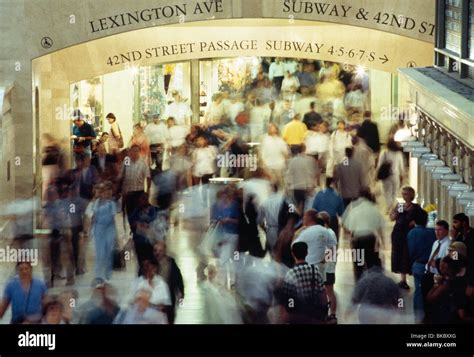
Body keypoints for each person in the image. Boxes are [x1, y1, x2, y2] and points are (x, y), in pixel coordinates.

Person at [276, 242, 328, 324]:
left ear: (293, 254)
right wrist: (324, 313)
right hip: (314, 314)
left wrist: (287, 315)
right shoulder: (315, 270)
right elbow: (322, 294)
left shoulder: (290, 273)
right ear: (307, 253)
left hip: (298, 316)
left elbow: (288, 299)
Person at [342, 189, 385, 281]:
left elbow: (346, 225)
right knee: (371, 263)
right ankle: (372, 284)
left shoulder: (354, 208)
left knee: (358, 264)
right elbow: (379, 226)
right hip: (370, 238)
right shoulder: (373, 208)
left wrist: (350, 236)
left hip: (358, 239)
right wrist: (382, 241)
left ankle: (359, 285)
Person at [389, 186, 423, 290]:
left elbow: (421, 219)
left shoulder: (416, 208)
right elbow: (392, 217)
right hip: (398, 233)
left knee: (407, 254)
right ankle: (402, 279)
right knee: (398, 254)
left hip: (409, 233)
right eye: (403, 194)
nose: (404, 196)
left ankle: (409, 276)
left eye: (406, 194)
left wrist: (415, 222)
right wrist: (397, 212)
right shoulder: (400, 206)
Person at [407, 209, 436, 323]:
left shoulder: (412, 233)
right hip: (431, 265)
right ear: (426, 220)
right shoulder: (432, 232)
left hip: (418, 264)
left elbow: (411, 251)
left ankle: (418, 317)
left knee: (418, 291)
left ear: (414, 220)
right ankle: (430, 314)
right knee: (430, 289)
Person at [426, 256, 471, 324]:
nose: (441, 269)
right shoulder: (448, 281)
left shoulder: (450, 283)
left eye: (443, 267)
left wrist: (437, 284)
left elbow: (430, 297)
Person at [90, 181, 117, 281]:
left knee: (108, 251)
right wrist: (90, 231)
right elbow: (93, 217)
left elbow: (114, 218)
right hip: (99, 229)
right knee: (100, 252)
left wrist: (117, 235)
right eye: (105, 191)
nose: (107, 193)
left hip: (109, 229)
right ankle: (98, 275)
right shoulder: (96, 203)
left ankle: (107, 271)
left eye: (109, 191)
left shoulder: (112, 204)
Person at [118, 144, 151, 226]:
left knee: (138, 213)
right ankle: (133, 230)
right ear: (130, 152)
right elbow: (121, 175)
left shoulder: (143, 163)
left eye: (136, 151)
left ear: (139, 152)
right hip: (128, 192)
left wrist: (147, 192)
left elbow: (148, 178)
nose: (134, 153)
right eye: (132, 151)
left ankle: (137, 231)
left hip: (139, 192)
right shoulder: (126, 161)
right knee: (129, 213)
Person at [153, 241, 185, 324]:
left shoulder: (171, 263)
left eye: (160, 251)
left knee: (169, 318)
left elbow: (178, 278)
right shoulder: (149, 263)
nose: (158, 253)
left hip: (168, 296)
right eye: (156, 250)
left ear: (164, 251)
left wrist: (181, 292)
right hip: (154, 297)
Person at [129, 192, 160, 276]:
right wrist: (137, 223)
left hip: (149, 241)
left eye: (145, 199)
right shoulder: (136, 210)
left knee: (150, 259)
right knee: (141, 261)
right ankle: (142, 276)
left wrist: (144, 222)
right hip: (139, 241)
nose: (143, 201)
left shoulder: (152, 210)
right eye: (141, 199)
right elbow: (131, 221)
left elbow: (154, 220)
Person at [317, 211, 338, 323]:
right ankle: (325, 313)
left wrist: (324, 259)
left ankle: (333, 314)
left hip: (328, 268)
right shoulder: (323, 232)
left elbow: (332, 248)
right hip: (324, 268)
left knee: (329, 292)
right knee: (324, 292)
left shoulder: (329, 232)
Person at [285, 145, 316, 213]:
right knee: (305, 205)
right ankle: (303, 218)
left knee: (297, 205)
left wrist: (287, 186)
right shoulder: (304, 161)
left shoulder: (292, 161)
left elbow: (289, 175)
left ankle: (298, 218)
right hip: (304, 187)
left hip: (296, 187)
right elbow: (307, 174)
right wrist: (309, 186)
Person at [312, 177, 345, 241]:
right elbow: (341, 212)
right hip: (332, 220)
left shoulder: (319, 194)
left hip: (320, 220)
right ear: (333, 184)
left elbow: (314, 208)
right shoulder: (337, 195)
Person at [377, 139, 405, 212]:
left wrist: (376, 174)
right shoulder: (399, 153)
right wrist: (402, 175)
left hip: (386, 176)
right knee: (395, 192)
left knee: (387, 192)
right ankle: (393, 207)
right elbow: (401, 167)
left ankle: (389, 208)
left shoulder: (384, 153)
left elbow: (379, 165)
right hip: (396, 175)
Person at [452, 213, 474, 296]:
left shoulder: (472, 235)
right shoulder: (459, 237)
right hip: (461, 273)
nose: (453, 225)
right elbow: (454, 256)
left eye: (455, 222)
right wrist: (454, 238)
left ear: (463, 223)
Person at [191, 136, 217, 203]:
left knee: (206, 187)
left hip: (208, 171)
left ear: (205, 140)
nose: (199, 141)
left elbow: (214, 158)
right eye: (198, 140)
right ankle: (199, 201)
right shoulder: (196, 151)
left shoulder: (211, 148)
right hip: (198, 171)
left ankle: (207, 201)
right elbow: (193, 161)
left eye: (201, 139)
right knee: (197, 187)